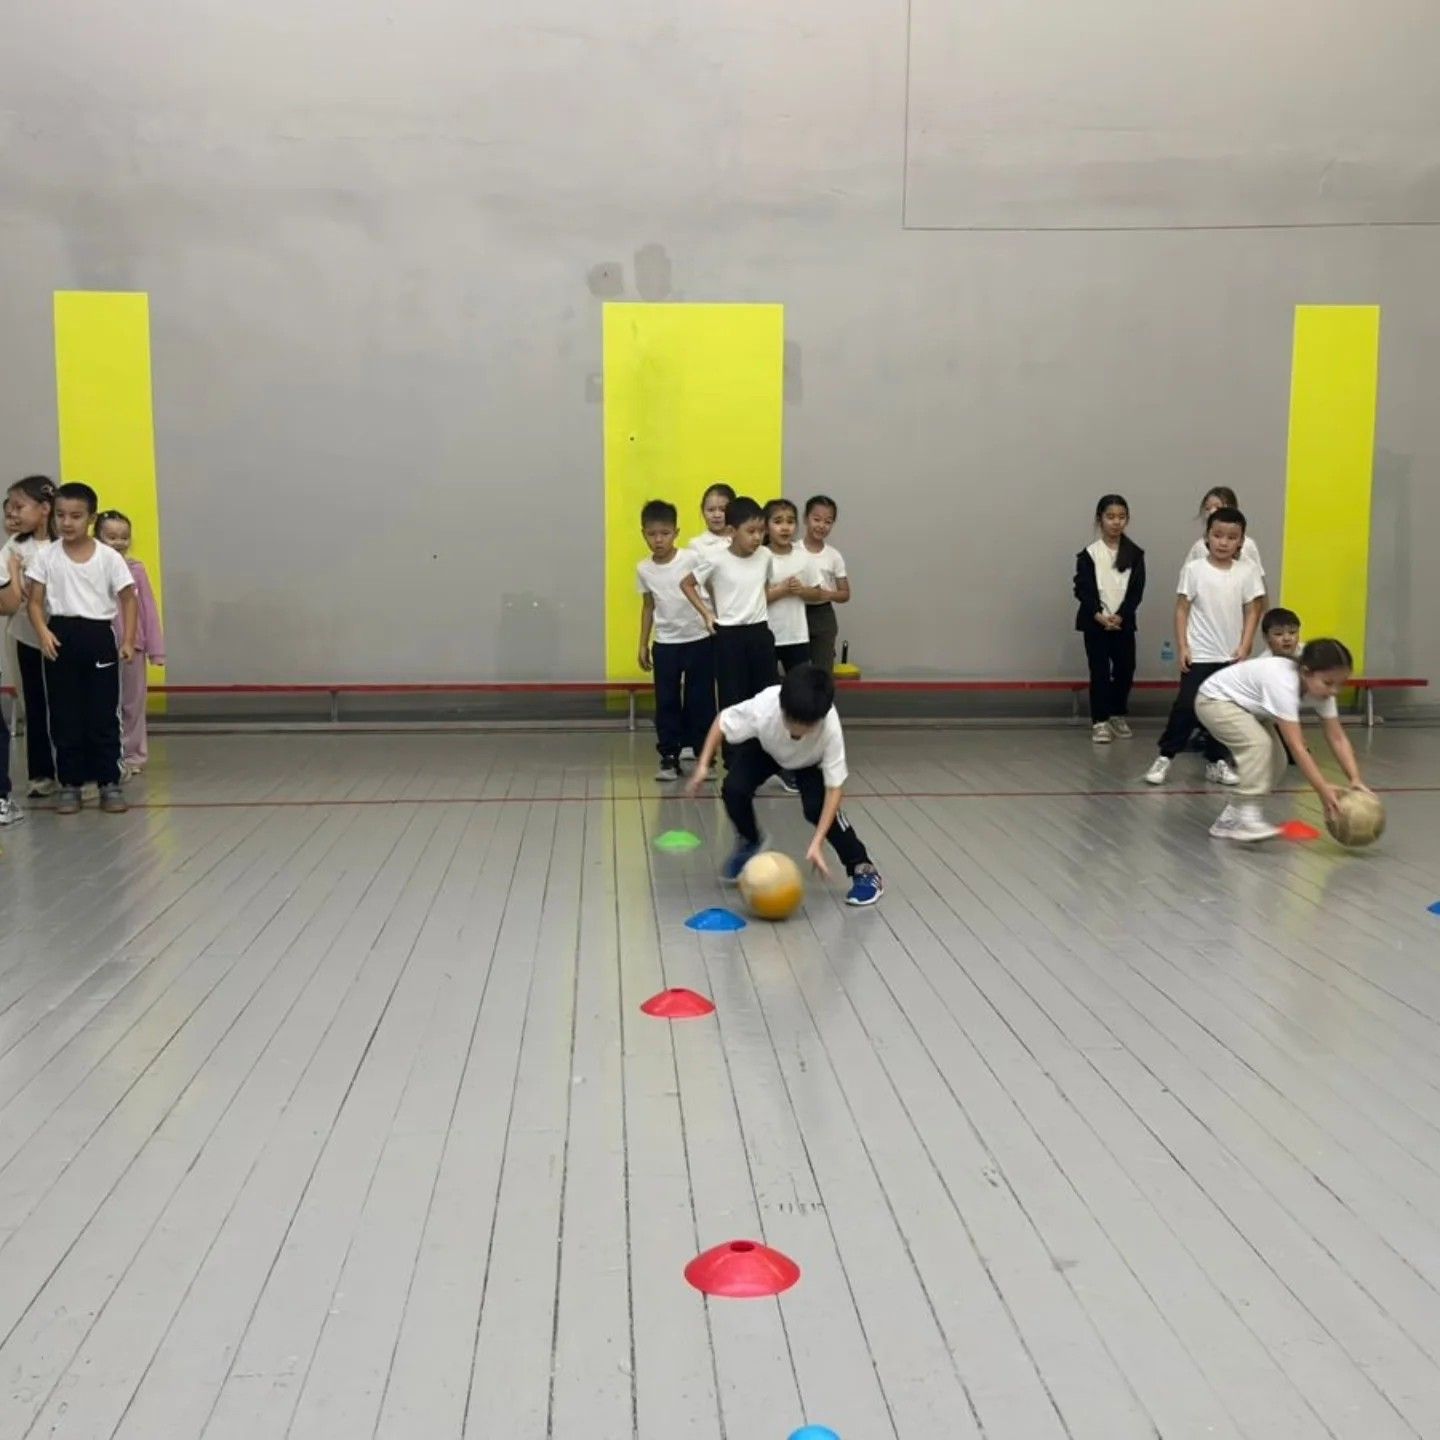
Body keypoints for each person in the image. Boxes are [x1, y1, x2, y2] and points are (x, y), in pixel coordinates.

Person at [685, 662, 884, 906]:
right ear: (782, 706)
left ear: (820, 719)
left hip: (811, 761)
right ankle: (750, 840)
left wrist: (817, 841)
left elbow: (835, 790)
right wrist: (703, 764)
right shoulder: (765, 706)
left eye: (806, 728)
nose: (796, 733)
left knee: (817, 809)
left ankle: (864, 870)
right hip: (767, 749)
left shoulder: (830, 728)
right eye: (791, 723)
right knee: (734, 789)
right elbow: (722, 722)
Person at [25, 482, 138, 815]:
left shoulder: (108, 558)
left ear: (91, 519)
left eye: (75, 516)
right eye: (60, 515)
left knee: (102, 713)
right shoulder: (46, 556)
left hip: (98, 636)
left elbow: (128, 599)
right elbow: (34, 602)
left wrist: (128, 640)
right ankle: (70, 783)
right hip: (61, 635)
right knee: (64, 713)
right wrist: (43, 632)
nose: (67, 522)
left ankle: (108, 781)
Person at [1195, 638, 1372, 842]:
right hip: (1214, 701)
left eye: (1340, 684)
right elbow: (1296, 746)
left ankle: (1230, 820)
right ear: (1305, 672)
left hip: (1250, 710)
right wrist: (1322, 790)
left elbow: (1337, 737)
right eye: (1328, 683)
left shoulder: (1323, 692)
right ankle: (1248, 818)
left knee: (1277, 763)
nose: (1334, 691)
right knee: (1258, 745)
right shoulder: (1283, 683)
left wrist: (1355, 779)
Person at [1145, 506, 1264, 787]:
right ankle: (1165, 756)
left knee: (1223, 711)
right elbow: (1182, 609)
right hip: (1199, 653)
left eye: (1231, 537)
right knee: (1187, 705)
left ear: (1241, 541)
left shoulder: (1247, 572)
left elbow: (1253, 609)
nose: (1223, 542)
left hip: (1230, 655)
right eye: (1218, 535)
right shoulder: (1194, 570)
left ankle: (1217, 760)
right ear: (1207, 536)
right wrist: (1183, 646)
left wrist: (1246, 644)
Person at [680, 497, 776, 758]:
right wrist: (707, 613)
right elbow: (687, 584)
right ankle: (734, 759)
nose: (757, 537)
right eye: (751, 531)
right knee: (733, 699)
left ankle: (767, 758)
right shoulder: (716, 560)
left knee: (766, 698)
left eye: (761, 531)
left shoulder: (765, 556)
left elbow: (764, 586)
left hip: (759, 632)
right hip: (729, 636)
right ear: (732, 531)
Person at [636, 499, 713, 783]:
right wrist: (643, 643)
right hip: (666, 643)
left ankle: (704, 755)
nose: (658, 540)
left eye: (665, 533)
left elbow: (710, 588)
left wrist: (712, 619)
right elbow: (648, 606)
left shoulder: (691, 559)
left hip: (699, 639)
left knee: (700, 700)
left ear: (676, 532)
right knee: (666, 701)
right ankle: (669, 756)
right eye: (652, 534)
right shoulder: (643, 569)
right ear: (643, 533)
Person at [95, 510, 166, 778]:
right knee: (103, 703)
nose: (118, 542)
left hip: (132, 647)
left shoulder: (136, 569)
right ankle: (108, 754)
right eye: (111, 536)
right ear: (97, 537)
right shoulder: (90, 568)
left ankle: (133, 755)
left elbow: (148, 609)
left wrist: (156, 650)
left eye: (124, 537)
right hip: (98, 646)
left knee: (132, 704)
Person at [1, 476, 58, 798]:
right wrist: (14, 572)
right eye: (8, 507)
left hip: (63, 633)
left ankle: (78, 771)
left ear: (45, 508)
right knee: (33, 703)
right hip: (25, 635)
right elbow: (10, 598)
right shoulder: (14, 547)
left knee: (68, 703)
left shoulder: (64, 545)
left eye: (19, 506)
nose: (11, 513)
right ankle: (41, 773)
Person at [1073, 493, 1146, 743]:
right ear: (1100, 519)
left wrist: (1121, 616)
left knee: (1126, 669)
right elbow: (1082, 589)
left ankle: (1117, 714)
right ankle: (1100, 721)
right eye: (1110, 517)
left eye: (1121, 517)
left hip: (1123, 623)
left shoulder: (1135, 554)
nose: (1116, 522)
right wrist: (1099, 615)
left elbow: (1136, 591)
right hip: (1096, 624)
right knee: (1100, 672)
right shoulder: (1089, 554)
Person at [801, 494, 849, 672]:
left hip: (823, 615)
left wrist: (825, 594)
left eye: (828, 522)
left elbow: (845, 593)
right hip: (796, 611)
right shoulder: (793, 550)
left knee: (823, 670)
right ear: (806, 519)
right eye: (816, 519)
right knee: (797, 669)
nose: (821, 525)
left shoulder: (834, 556)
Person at [688, 483, 736, 563]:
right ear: (703, 511)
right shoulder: (696, 545)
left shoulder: (741, 540)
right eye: (711, 510)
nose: (717, 515)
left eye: (723, 510)